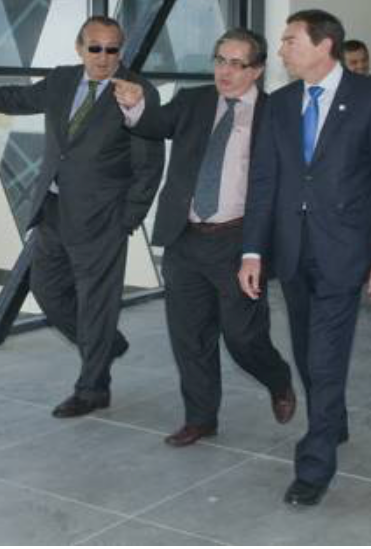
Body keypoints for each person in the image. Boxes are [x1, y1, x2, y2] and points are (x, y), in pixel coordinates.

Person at [0, 16, 165, 417]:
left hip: (102, 219)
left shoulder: (138, 92)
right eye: (96, 48)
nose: (104, 58)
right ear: (79, 48)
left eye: (113, 49)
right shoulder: (62, 80)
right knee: (48, 290)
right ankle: (104, 344)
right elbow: (15, 101)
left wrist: (127, 219)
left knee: (96, 304)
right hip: (53, 209)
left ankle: (92, 389)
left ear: (121, 52)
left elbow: (149, 164)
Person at [238, 10, 371, 507]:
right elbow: (264, 181)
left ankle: (314, 465)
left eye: (290, 41)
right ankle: (335, 421)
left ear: (324, 44)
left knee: (327, 355)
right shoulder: (281, 104)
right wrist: (252, 250)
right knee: (309, 350)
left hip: (346, 250)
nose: (282, 50)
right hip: (291, 251)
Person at [113, 29, 296, 448]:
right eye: (220, 60)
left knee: (242, 337)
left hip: (239, 242)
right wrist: (136, 104)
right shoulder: (194, 101)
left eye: (236, 63)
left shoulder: (275, 114)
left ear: (257, 70)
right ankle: (201, 417)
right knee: (189, 336)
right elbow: (154, 124)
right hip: (186, 237)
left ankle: (277, 377)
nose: (225, 71)